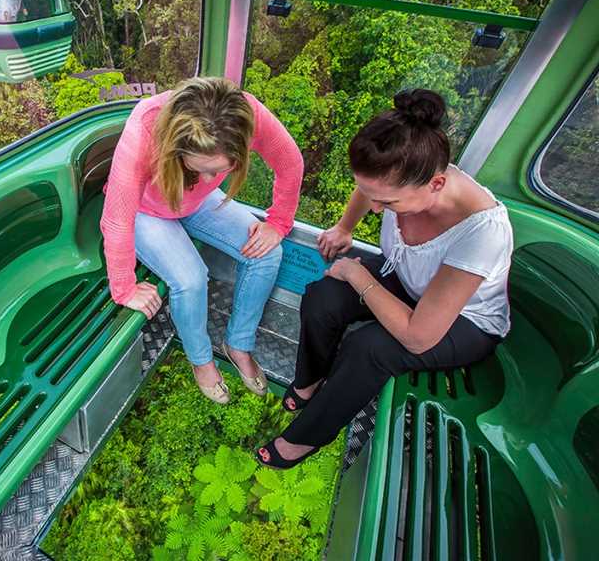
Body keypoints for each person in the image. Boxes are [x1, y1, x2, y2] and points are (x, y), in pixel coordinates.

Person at [256, 89, 513, 468]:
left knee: (369, 348)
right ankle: (309, 381)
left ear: (437, 185)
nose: (376, 209)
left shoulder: (482, 232)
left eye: (388, 204)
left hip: (462, 322)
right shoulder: (403, 178)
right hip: (408, 280)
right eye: (371, 196)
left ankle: (307, 438)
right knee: (323, 297)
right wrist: (345, 227)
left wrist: (358, 274)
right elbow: (370, 189)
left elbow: (418, 335)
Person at [100, 77, 304, 403]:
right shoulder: (145, 129)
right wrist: (124, 287)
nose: (212, 178)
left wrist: (278, 222)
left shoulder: (247, 114)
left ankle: (238, 343)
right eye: (202, 168)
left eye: (221, 169)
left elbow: (290, 161)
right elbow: (116, 219)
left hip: (197, 202)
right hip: (147, 210)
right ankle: (201, 360)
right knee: (192, 279)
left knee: (267, 254)